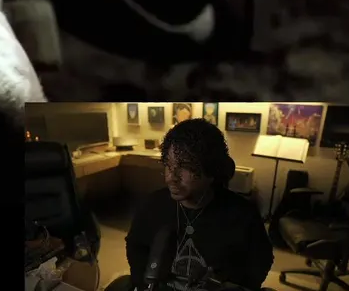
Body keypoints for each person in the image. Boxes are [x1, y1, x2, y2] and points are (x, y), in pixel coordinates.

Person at [105, 119, 274, 291]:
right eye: (168, 165)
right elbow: (136, 245)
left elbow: (260, 263)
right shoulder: (152, 205)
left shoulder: (243, 216)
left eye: (185, 167)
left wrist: (227, 285)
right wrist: (142, 283)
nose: (171, 177)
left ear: (212, 170)